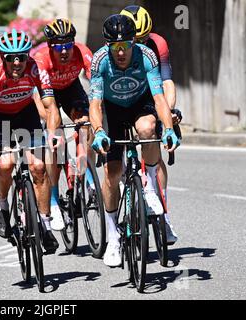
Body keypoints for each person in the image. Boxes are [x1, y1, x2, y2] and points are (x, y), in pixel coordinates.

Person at [89, 14, 180, 267]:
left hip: (140, 103)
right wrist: (98, 131)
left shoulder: (146, 56)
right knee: (112, 173)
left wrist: (169, 128)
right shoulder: (99, 62)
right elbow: (95, 104)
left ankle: (150, 187)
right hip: (112, 109)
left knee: (148, 128)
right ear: (108, 46)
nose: (121, 52)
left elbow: (159, 99)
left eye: (125, 46)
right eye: (115, 47)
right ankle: (113, 238)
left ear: (133, 43)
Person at [0, 29, 63, 253]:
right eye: (10, 58)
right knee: (6, 163)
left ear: (28, 56)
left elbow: (50, 106)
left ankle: (45, 225)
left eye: (21, 57)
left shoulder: (35, 68)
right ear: (1, 57)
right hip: (0, 117)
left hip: (26, 113)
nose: (17, 63)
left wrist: (52, 133)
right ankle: (3, 206)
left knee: (39, 167)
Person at [120, 5, 181, 244]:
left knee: (152, 138)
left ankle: (163, 216)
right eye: (136, 40)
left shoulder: (158, 45)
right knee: (116, 164)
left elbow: (167, 82)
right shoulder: (117, 48)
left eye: (144, 38)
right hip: (120, 97)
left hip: (148, 95)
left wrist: (170, 112)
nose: (141, 44)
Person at [33, 18, 95, 231]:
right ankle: (52, 200)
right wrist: (52, 129)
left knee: (86, 123)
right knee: (55, 140)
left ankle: (86, 175)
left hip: (70, 88)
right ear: (50, 46)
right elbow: (48, 107)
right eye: (59, 46)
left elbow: (97, 86)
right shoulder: (41, 59)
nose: (64, 51)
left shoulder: (82, 51)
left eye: (68, 45)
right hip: (44, 93)